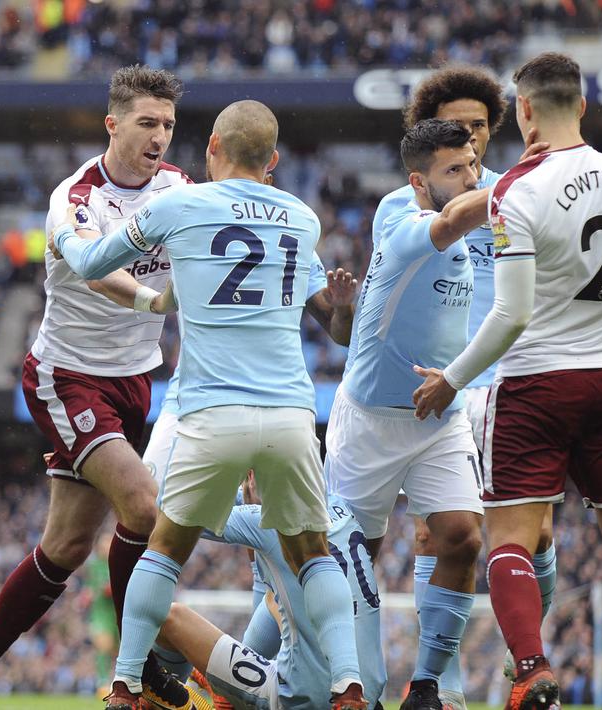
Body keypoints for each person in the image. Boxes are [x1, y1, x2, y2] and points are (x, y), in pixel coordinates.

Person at [51, 99, 367, 710]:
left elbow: (89, 263)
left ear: (213, 147)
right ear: (273, 160)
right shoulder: (302, 220)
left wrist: (64, 222)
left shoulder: (182, 204)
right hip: (289, 417)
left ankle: (122, 685)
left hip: (211, 410)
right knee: (311, 553)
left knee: (164, 549)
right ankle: (348, 685)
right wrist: (344, 303)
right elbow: (337, 328)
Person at [412, 52, 602, 710]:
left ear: (525, 110)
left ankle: (532, 672)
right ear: (583, 106)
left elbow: (509, 314)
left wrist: (451, 380)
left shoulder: (517, 189)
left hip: (536, 383)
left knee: (509, 538)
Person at [0, 65, 197, 710]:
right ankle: (133, 676)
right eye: (146, 123)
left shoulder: (178, 189)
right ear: (113, 125)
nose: (159, 135)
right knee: (142, 506)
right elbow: (92, 269)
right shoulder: (74, 197)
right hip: (68, 375)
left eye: (167, 124)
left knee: (67, 545)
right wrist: (152, 301)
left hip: (135, 381)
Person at [377, 66, 558, 708]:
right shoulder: (414, 204)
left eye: (478, 127)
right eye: (457, 129)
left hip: (510, 374)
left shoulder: (520, 192)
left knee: (530, 533)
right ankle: (442, 685)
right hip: (445, 380)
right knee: (443, 533)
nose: (470, 140)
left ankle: (527, 661)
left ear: (493, 128)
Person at [325, 118, 514, 710]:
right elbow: (458, 218)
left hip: (441, 410)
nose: (468, 179)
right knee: (356, 559)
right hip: (370, 421)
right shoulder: (402, 222)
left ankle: (429, 685)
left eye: (473, 166)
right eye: (452, 171)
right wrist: (527, 185)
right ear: (417, 180)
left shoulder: (474, 203)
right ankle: (346, 687)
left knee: (461, 535)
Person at [157, 475, 385, 710]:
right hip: (366, 693)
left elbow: (171, 511)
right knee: (281, 597)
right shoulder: (342, 507)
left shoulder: (267, 521)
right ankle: (227, 694)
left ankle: (174, 696)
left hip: (305, 698)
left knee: (167, 619)